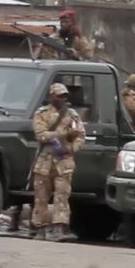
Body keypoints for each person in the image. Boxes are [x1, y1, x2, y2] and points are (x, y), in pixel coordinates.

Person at [30, 83, 85, 242]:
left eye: (64, 96)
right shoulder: (42, 114)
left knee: (62, 195)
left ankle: (60, 229)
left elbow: (80, 135)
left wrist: (72, 148)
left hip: (64, 161)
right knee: (41, 196)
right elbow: (41, 135)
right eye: (59, 95)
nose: (62, 99)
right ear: (51, 96)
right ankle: (40, 229)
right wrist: (62, 134)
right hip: (45, 161)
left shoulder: (72, 114)